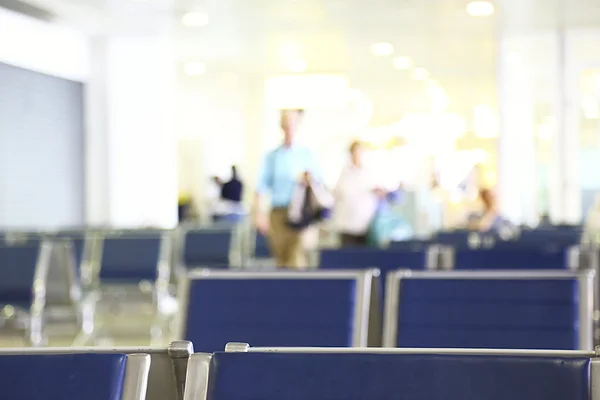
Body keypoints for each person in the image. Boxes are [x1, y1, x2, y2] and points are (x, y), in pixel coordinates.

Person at [254, 109, 321, 268]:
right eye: (285, 123)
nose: (289, 126)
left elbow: (318, 183)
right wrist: (259, 214)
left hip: (300, 214)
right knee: (281, 260)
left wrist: (308, 179)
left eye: (292, 122)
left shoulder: (307, 154)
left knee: (297, 259)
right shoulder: (272, 157)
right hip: (278, 214)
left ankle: (297, 290)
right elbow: (260, 187)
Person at [333, 140, 385, 247]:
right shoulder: (344, 173)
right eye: (354, 152)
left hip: (365, 225)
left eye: (359, 152)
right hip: (346, 225)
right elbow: (337, 194)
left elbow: (380, 192)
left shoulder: (370, 173)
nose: (356, 155)